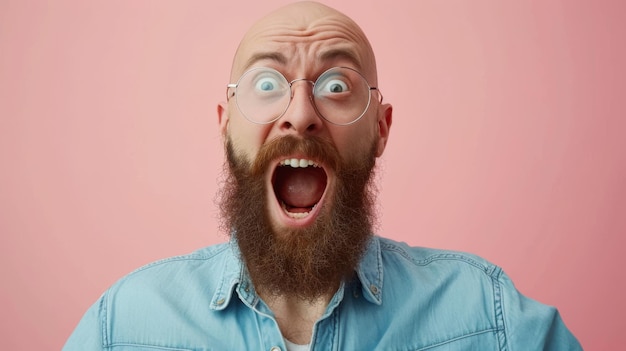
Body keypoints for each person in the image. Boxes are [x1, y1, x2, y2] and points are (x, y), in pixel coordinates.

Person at [64, 2, 582, 350]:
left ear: (381, 128)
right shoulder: (122, 329)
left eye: (337, 85)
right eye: (267, 82)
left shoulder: (491, 322)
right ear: (225, 127)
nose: (300, 114)